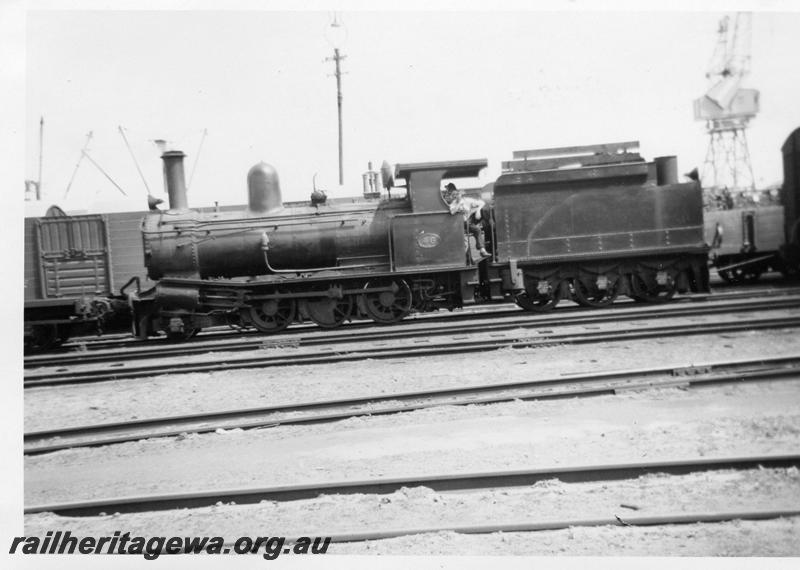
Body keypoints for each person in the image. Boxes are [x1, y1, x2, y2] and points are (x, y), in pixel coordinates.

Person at [444, 182, 490, 257]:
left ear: (460, 194)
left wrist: (478, 210)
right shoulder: (453, 204)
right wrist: (458, 204)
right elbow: (452, 212)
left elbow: (481, 203)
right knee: (466, 240)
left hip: (467, 222)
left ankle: (482, 249)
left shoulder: (467, 201)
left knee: (477, 229)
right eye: (454, 195)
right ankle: (468, 258)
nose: (455, 196)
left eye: (457, 194)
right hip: (457, 225)